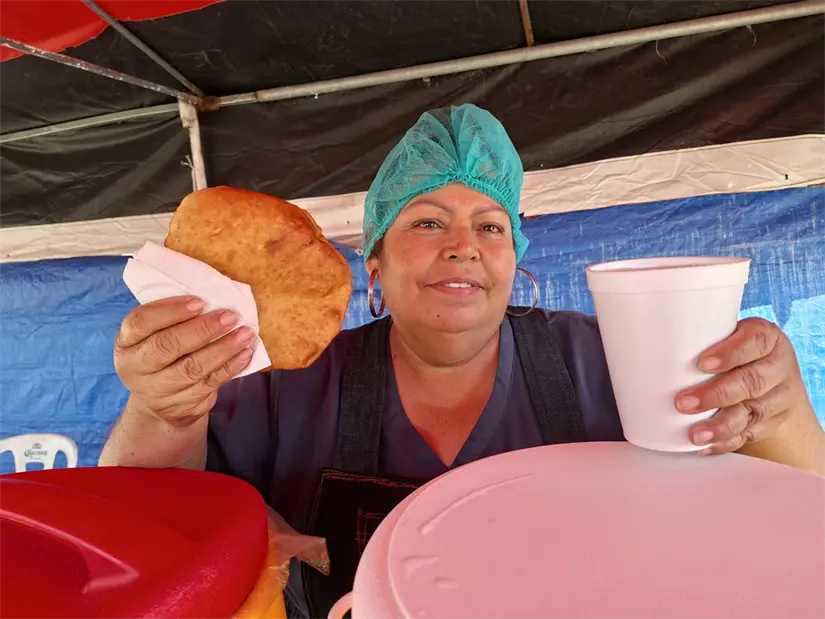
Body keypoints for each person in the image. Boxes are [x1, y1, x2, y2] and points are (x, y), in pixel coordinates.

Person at [100, 104, 825, 618]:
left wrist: (781, 407)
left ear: (516, 259)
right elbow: (139, 519)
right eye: (426, 221)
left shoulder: (610, 358)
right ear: (373, 263)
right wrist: (163, 404)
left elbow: (796, 519)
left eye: (489, 224)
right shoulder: (284, 383)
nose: (463, 245)